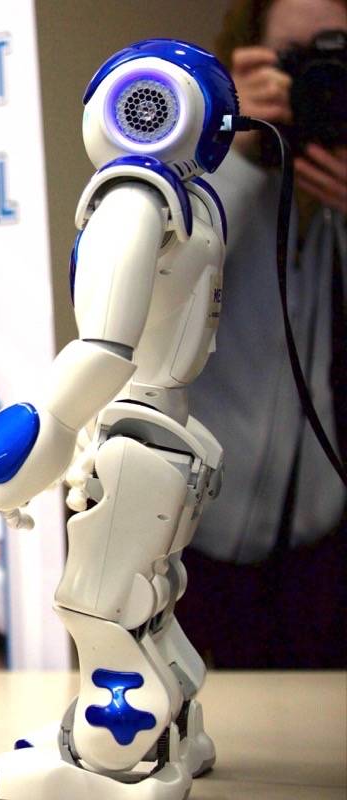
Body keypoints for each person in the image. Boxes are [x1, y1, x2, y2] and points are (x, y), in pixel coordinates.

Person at [183, 0, 346, 668]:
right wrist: (235, 149)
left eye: (333, 56)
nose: (314, 79)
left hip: (321, 541)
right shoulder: (196, 165)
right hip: (197, 539)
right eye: (292, 60)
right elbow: (161, 289)